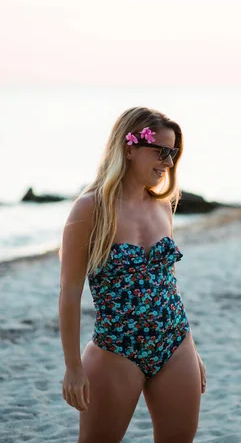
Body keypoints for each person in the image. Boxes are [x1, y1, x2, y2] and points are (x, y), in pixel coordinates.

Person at [58, 106, 206, 443]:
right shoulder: (90, 209)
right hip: (117, 349)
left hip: (175, 342)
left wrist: (191, 349)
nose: (168, 162)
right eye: (161, 151)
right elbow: (69, 292)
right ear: (129, 148)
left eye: (174, 153)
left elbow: (166, 283)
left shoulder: (163, 205)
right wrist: (73, 367)